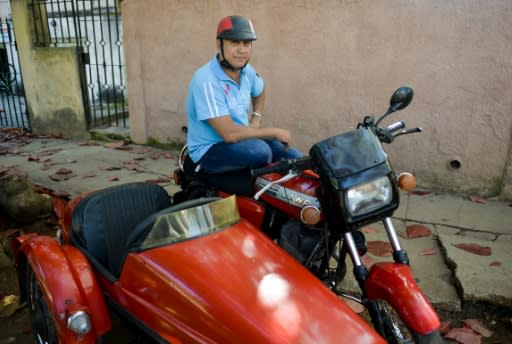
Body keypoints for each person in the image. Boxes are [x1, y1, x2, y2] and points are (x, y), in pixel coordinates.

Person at [185, 15, 302, 175]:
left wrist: (257, 117)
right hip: (210, 149)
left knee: (295, 158)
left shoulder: (247, 71)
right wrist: (273, 132)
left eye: (246, 43)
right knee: (260, 152)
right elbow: (229, 134)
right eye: (234, 43)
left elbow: (260, 90)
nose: (242, 50)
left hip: (242, 139)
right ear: (219, 44)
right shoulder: (206, 80)